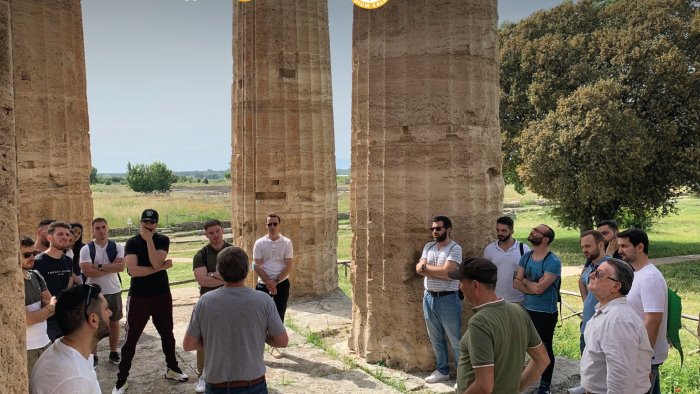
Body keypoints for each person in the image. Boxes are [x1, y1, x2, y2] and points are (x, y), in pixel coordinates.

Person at [183, 246, 288, 394]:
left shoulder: (205, 301)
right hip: (253, 383)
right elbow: (282, 341)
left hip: (216, 384)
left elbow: (188, 345)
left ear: (219, 271)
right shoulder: (263, 300)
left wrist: (214, 338)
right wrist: (260, 335)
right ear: (246, 270)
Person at [113, 209, 187, 394]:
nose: (149, 225)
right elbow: (134, 271)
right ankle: (122, 379)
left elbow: (154, 262)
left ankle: (172, 368)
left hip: (161, 294)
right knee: (131, 337)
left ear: (156, 223)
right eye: (146, 221)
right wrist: (162, 267)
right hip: (139, 295)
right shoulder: (132, 242)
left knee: (167, 334)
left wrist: (149, 242)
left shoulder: (162, 240)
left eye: (152, 222)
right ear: (140, 222)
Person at [450, 257, 549, 394]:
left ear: (475, 285)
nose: (459, 287)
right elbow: (542, 360)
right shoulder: (518, 311)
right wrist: (516, 388)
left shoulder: (479, 322)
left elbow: (484, 386)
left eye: (461, 282)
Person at [580, 259, 653, 394]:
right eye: (594, 272)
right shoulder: (607, 310)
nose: (591, 275)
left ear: (615, 287)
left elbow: (621, 375)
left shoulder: (619, 320)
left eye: (599, 275)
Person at [29, 284, 111, 394]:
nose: (110, 313)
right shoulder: (76, 379)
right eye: (106, 309)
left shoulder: (61, 349)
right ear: (93, 320)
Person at [617, 228, 668, 394]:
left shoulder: (650, 277)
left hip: (643, 357)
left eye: (624, 246)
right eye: (619, 246)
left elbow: (653, 320)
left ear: (640, 247)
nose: (619, 251)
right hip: (635, 353)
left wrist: (643, 359)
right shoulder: (636, 273)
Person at [513, 224, 561, 394]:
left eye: (536, 231)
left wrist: (524, 281)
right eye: (532, 229)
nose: (531, 232)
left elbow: (539, 289)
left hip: (545, 313)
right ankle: (519, 379)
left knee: (544, 348)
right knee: (522, 346)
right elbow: (515, 283)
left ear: (545, 239)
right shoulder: (526, 257)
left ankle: (545, 385)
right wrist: (530, 285)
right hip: (526, 309)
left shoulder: (553, 261)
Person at [415, 215, 462, 384]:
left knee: (455, 339)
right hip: (429, 297)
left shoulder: (455, 248)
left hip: (448, 298)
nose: (434, 231)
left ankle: (462, 376)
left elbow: (448, 273)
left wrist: (427, 268)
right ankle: (442, 370)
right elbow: (418, 269)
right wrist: (435, 270)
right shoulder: (429, 246)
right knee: (435, 338)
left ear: (448, 229)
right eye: (432, 229)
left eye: (438, 228)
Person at [191, 219, 231, 393]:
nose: (215, 236)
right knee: (205, 339)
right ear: (206, 234)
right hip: (209, 302)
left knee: (231, 337)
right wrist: (225, 277)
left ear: (222, 231)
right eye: (211, 233)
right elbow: (201, 279)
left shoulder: (232, 251)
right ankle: (203, 375)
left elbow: (240, 277)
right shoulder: (201, 254)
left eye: (217, 231)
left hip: (231, 300)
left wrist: (212, 274)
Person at [79, 218, 125, 368]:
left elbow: (120, 268)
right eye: (97, 228)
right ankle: (94, 355)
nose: (101, 230)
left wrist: (97, 266)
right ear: (92, 230)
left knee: (114, 323)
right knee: (93, 325)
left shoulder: (117, 246)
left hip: (113, 290)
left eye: (103, 227)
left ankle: (113, 351)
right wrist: (109, 267)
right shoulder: (86, 249)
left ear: (108, 228)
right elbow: (87, 271)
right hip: (94, 292)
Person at [568, 230, 608, 394]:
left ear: (600, 244)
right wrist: (587, 302)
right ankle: (586, 387)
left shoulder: (610, 267)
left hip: (602, 327)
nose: (584, 249)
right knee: (588, 363)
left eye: (588, 246)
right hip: (588, 324)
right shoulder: (591, 266)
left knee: (601, 369)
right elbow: (582, 281)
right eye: (582, 246)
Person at [32, 221, 78, 340]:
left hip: (63, 315)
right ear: (49, 237)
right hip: (45, 318)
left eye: (67, 235)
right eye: (60, 234)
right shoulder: (37, 262)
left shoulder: (68, 260)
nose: (65, 237)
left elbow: (67, 286)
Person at [21, 236, 56, 376]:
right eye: (27, 255)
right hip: (26, 349)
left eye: (34, 253)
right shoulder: (11, 284)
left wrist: (43, 312)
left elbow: (53, 305)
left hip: (45, 343)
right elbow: (27, 320)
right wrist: (48, 308)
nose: (32, 257)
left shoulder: (35, 275)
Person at [253, 213, 294, 323]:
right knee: (261, 314)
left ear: (279, 225)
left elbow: (289, 265)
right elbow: (256, 265)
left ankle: (277, 339)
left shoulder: (286, 242)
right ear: (266, 225)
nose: (272, 227)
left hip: (281, 282)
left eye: (275, 224)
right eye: (269, 224)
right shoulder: (259, 243)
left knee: (279, 314)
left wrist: (275, 282)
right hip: (263, 283)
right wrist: (269, 283)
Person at [482, 216, 531, 304]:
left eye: (503, 230)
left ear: (512, 231)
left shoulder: (524, 249)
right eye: (498, 230)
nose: (500, 233)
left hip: (519, 300)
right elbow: (485, 274)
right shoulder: (489, 250)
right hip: (496, 300)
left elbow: (529, 273)